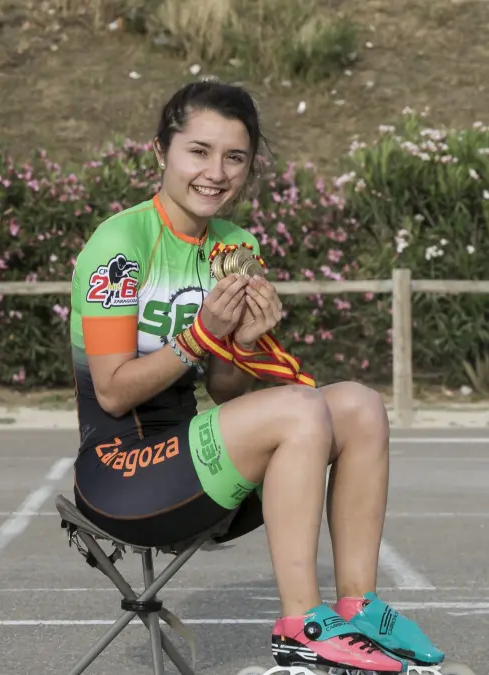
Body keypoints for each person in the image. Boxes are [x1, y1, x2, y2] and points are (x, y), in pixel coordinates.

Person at [66, 80, 444, 674]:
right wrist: (200, 335)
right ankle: (301, 629)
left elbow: (225, 393)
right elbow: (112, 392)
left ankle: (359, 608)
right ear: (160, 151)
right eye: (198, 151)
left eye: (234, 157)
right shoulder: (120, 245)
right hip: (122, 473)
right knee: (299, 407)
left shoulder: (235, 246)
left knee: (360, 406)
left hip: (191, 459)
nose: (215, 173)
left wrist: (240, 344)